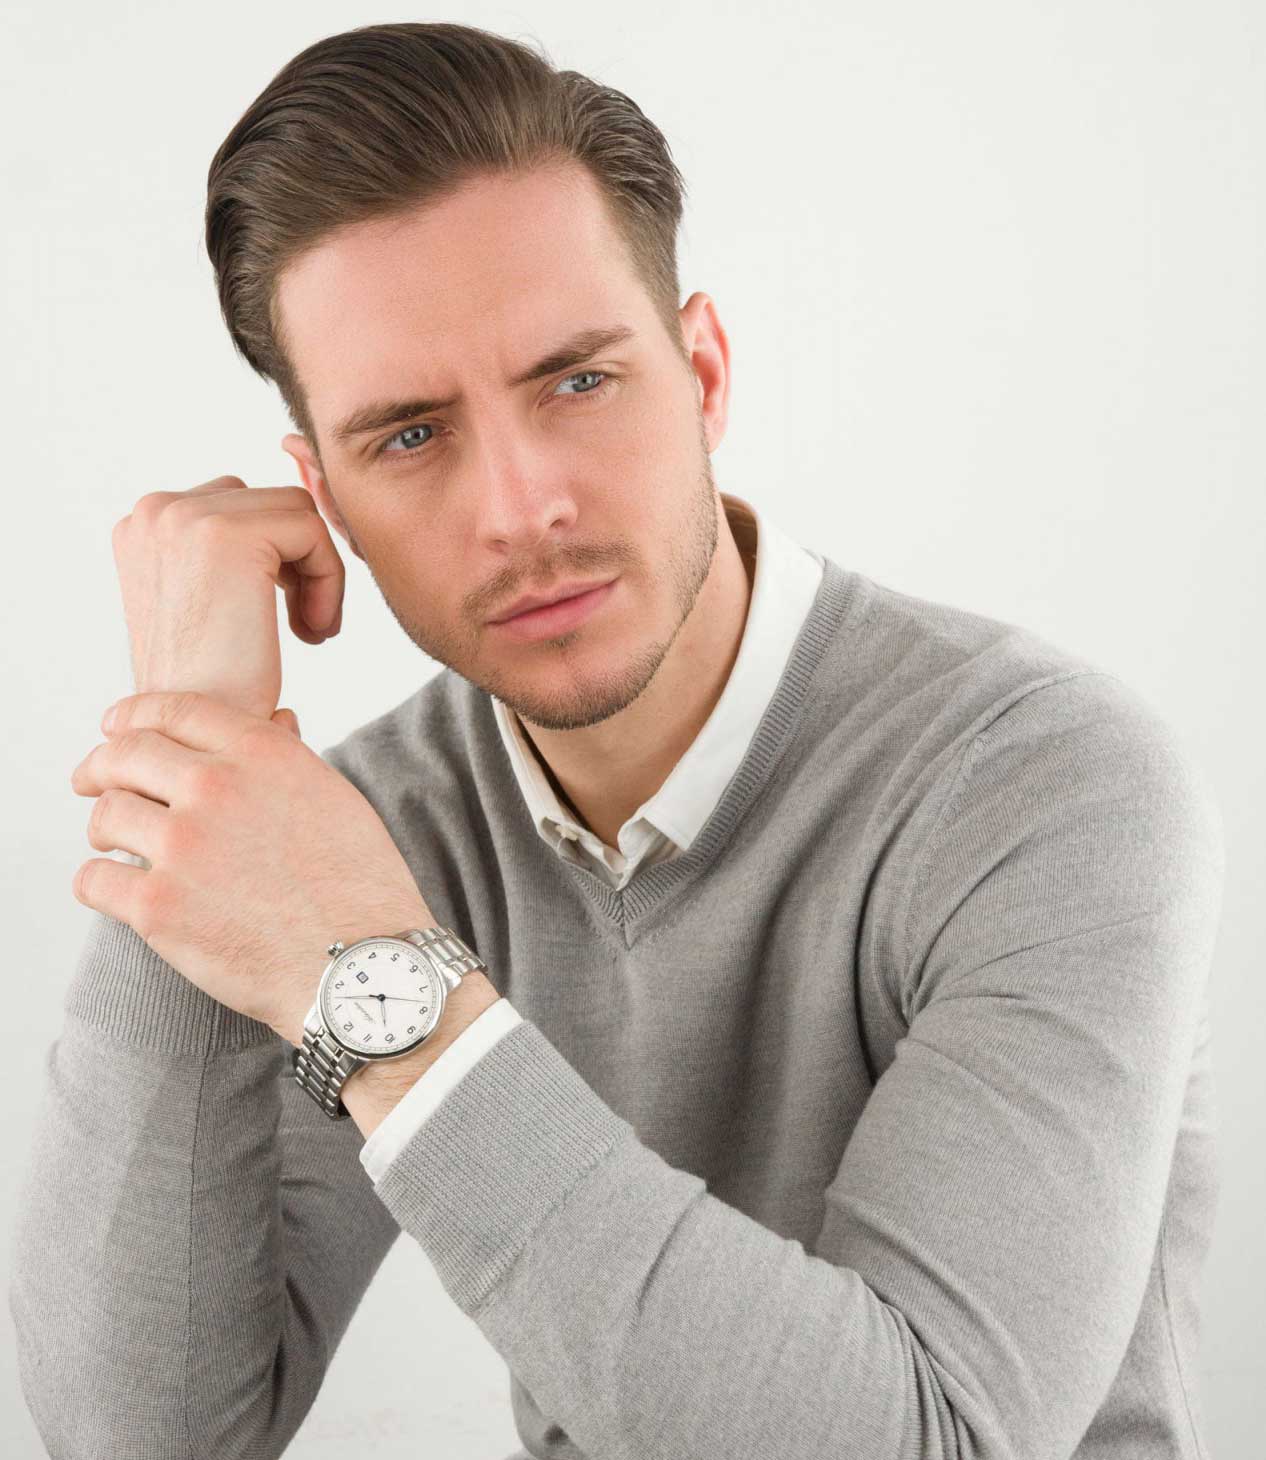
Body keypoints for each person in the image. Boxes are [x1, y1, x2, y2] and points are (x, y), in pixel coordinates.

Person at [9, 21, 1225, 1460]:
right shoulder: (354, 841)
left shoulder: (1043, 783)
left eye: (577, 381)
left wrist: (376, 985)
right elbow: (143, 1437)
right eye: (409, 436)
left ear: (702, 372)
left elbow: (931, 1437)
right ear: (323, 494)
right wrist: (198, 751)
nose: (521, 507)